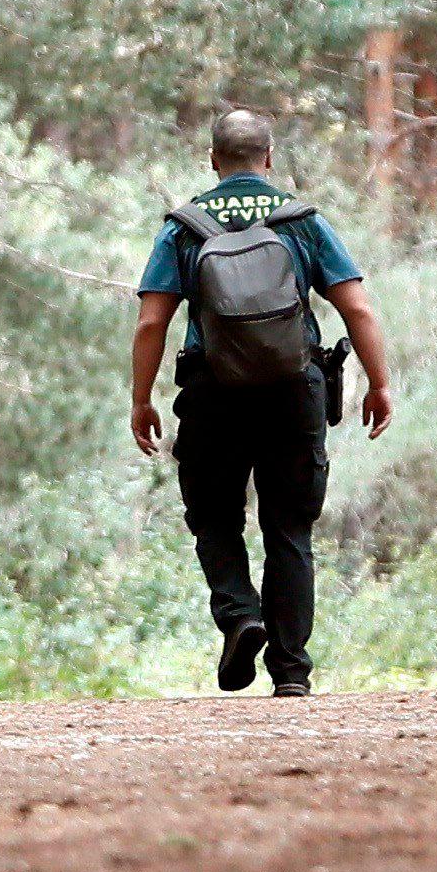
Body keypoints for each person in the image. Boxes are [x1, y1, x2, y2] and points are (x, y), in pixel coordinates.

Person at [130, 108, 393, 697]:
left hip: (212, 392)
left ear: (213, 160)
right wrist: (378, 382)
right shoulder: (300, 221)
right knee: (289, 529)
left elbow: (152, 322)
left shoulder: (185, 225)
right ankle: (292, 674)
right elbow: (358, 309)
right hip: (293, 390)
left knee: (214, 517)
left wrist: (141, 399)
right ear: (268, 159)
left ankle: (240, 615)